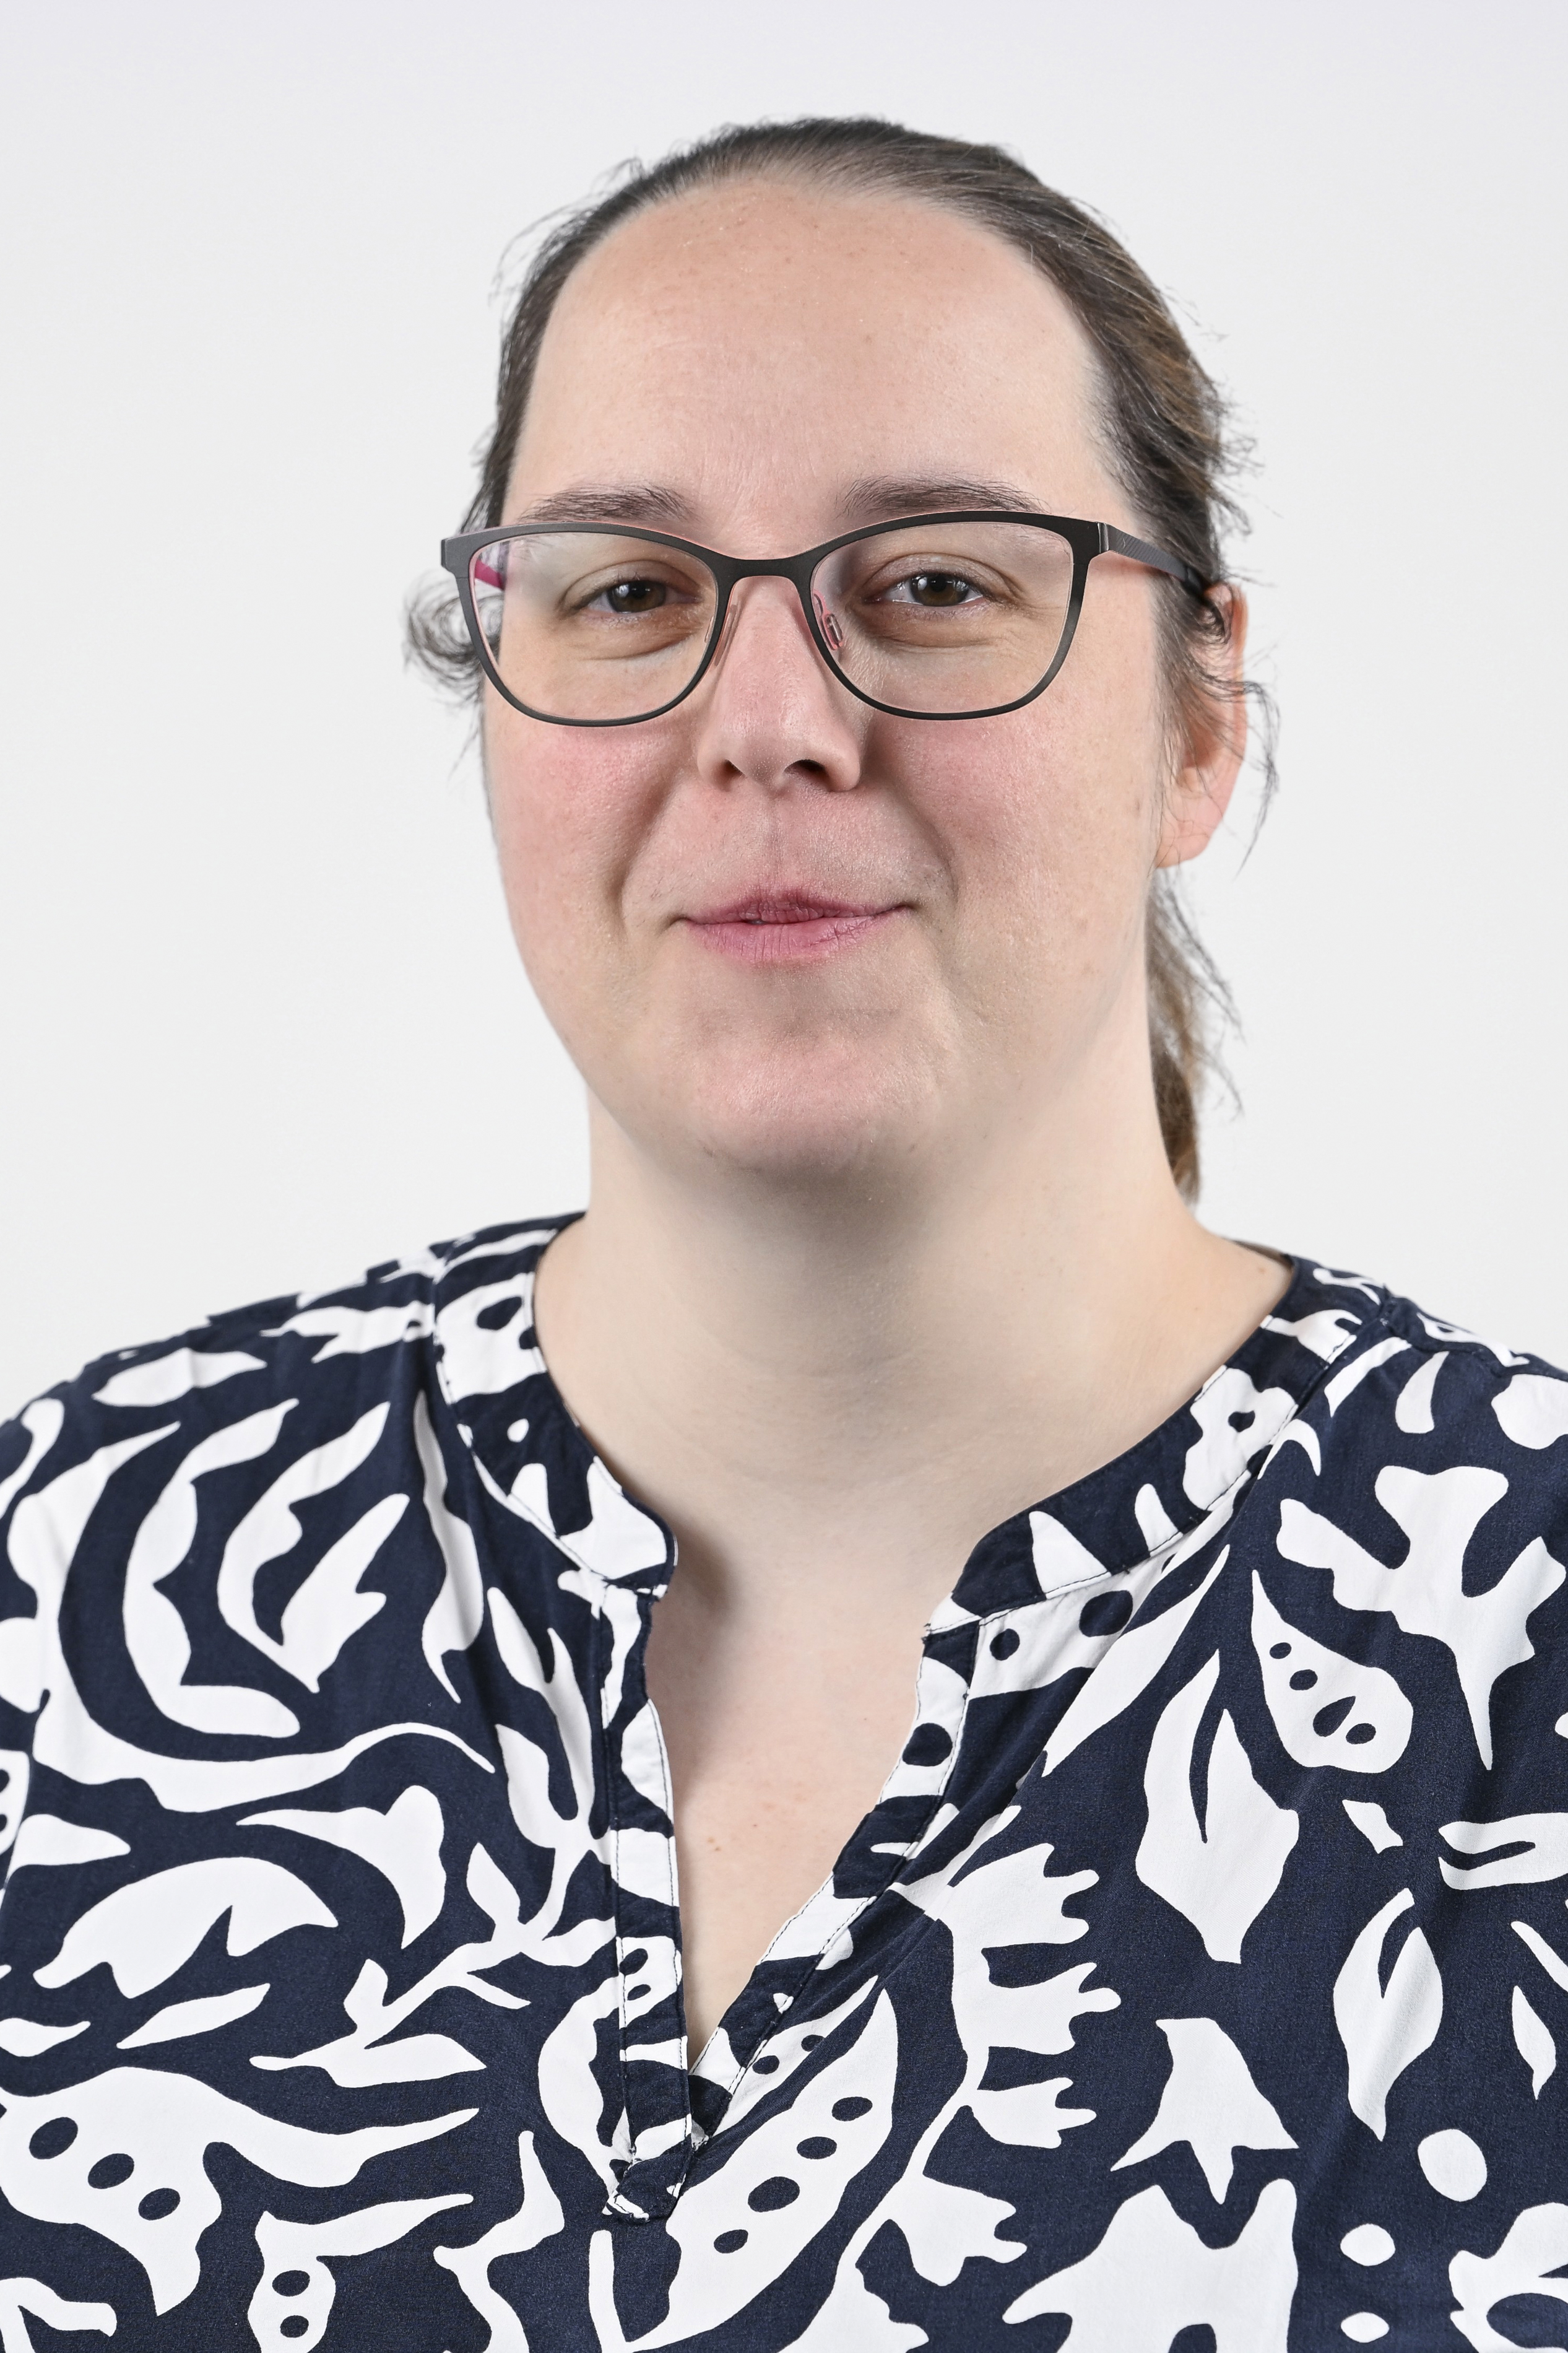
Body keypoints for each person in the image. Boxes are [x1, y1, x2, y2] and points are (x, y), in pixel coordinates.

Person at [0, 115, 1563, 2353]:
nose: (770, 728)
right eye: (630, 590)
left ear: (1200, 718)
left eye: (935, 585)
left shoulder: (1519, 1632)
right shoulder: (77, 1572)